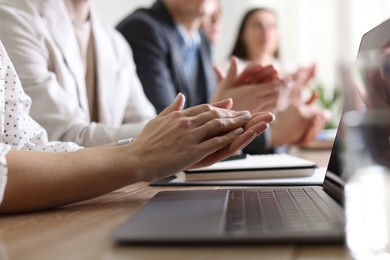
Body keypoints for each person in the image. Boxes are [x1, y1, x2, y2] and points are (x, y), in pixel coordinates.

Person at [0, 41, 274, 214]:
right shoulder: (143, 32)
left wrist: (159, 148)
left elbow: (31, 147)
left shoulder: (116, 41)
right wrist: (141, 157)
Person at [117, 0, 328, 153]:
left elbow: (212, 112)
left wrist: (241, 108)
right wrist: (273, 134)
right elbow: (164, 130)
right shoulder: (143, 30)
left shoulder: (202, 41)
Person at [0, 0, 158, 147]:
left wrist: (169, 130)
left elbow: (145, 120)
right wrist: (165, 132)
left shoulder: (116, 43)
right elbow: (59, 137)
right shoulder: (12, 19)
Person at [230, 7, 318, 104]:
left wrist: (298, 94)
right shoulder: (229, 71)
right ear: (243, 34)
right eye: (257, 26)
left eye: (271, 26)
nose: (265, 32)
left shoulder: (291, 70)